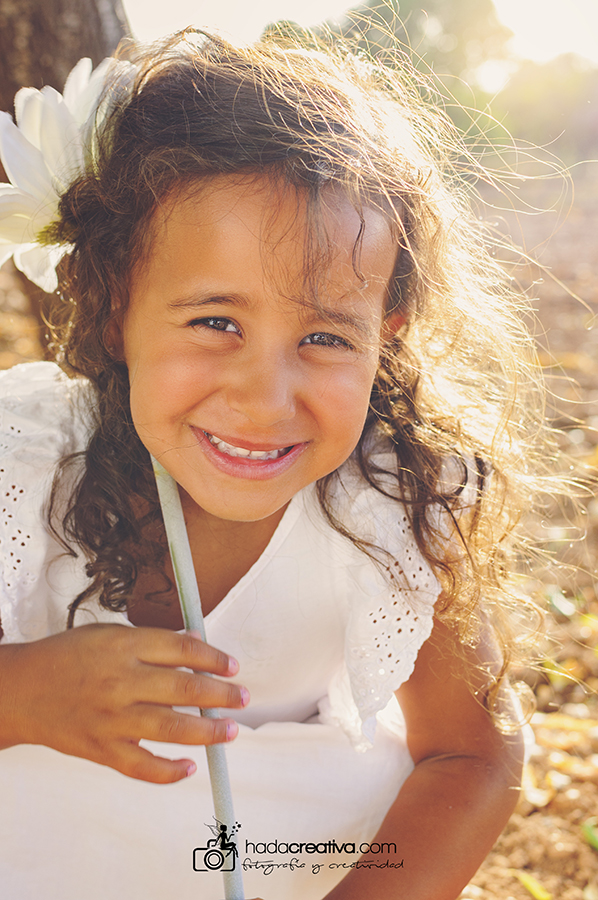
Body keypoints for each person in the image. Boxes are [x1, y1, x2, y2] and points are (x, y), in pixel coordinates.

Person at [0, 29, 550, 900]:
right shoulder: (21, 462)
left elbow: (475, 753)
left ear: (386, 337)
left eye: (326, 337)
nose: (265, 399)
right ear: (114, 307)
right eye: (215, 322)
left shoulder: (392, 503)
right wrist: (20, 695)